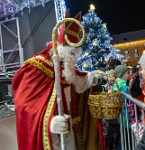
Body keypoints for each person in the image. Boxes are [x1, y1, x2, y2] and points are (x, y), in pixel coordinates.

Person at [12, 10, 103, 150]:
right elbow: (25, 107)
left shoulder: (68, 68)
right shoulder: (37, 67)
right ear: (61, 50)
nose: (73, 57)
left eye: (75, 53)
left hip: (69, 127)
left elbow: (78, 86)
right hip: (51, 134)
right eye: (71, 53)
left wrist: (92, 77)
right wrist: (48, 123)